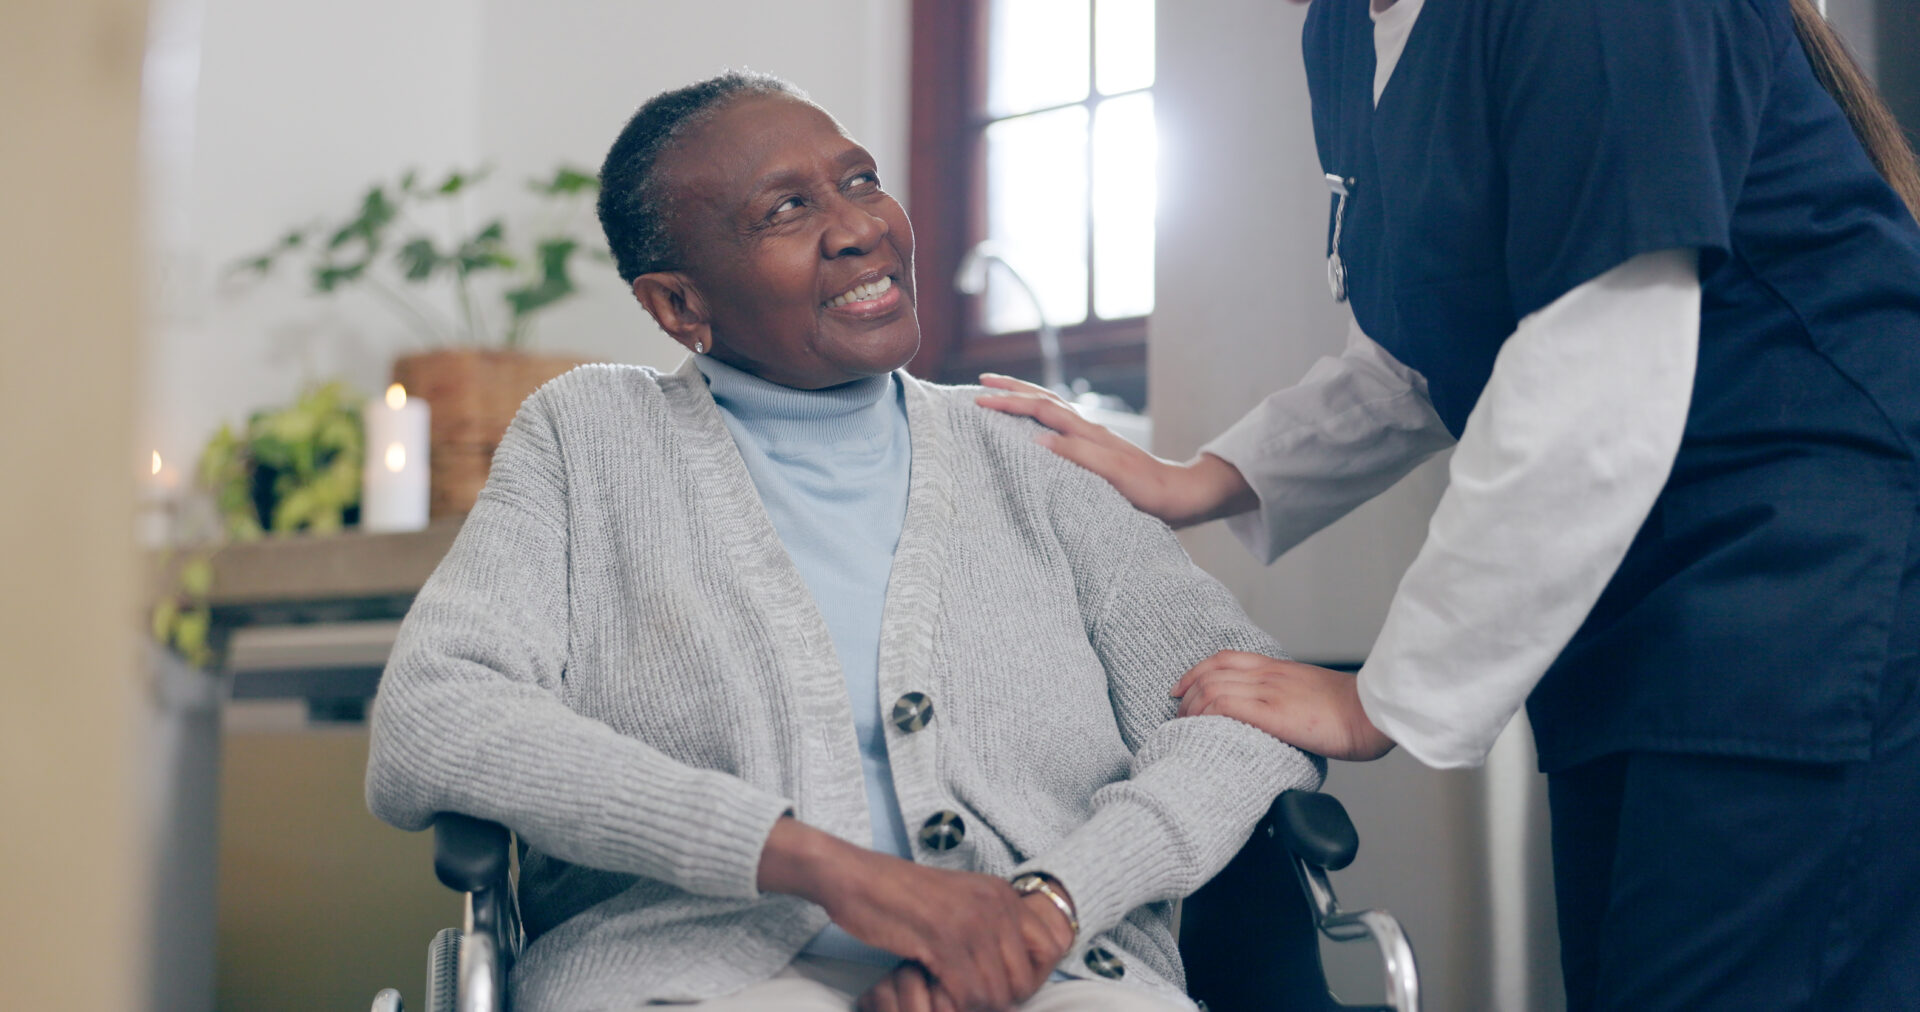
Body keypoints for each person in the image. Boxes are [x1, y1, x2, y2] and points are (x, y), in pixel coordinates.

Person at [980, 1, 1920, 1008]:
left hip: (1804, 582)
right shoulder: (1346, 30)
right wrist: (1199, 478)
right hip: (1637, 612)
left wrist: (1375, 698)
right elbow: (1425, 341)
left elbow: (1596, 367)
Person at [364, 72, 1323, 1012]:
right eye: (786, 209)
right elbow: (436, 716)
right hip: (693, 976)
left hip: (1052, 975)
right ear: (678, 307)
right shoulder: (591, 437)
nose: (861, 226)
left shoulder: (1029, 445)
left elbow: (1246, 713)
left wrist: (1049, 907)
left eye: (860, 180)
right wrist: (825, 867)